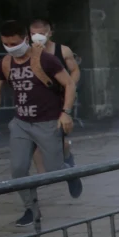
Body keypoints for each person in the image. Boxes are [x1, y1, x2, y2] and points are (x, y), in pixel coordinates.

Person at [0, 20, 80, 226]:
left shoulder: (46, 60)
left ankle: (69, 171)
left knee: (52, 171)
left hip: (48, 122)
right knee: (18, 169)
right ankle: (31, 210)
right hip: (21, 123)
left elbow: (69, 84)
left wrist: (66, 113)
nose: (11, 47)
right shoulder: (4, 64)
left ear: (25, 39)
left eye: (15, 43)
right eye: (6, 44)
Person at [28, 19, 80, 177]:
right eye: (33, 34)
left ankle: (67, 155)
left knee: (59, 138)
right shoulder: (27, 52)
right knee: (35, 141)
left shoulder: (62, 50)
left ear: (49, 33)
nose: (37, 37)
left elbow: (75, 70)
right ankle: (42, 176)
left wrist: (70, 87)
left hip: (58, 99)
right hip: (36, 101)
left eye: (41, 33)